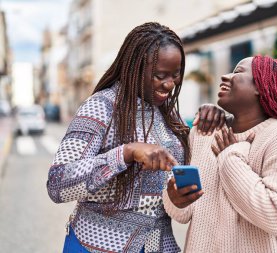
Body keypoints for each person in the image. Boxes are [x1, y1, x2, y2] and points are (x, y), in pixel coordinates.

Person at [46, 22, 225, 253]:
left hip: (159, 245)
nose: (170, 84)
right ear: (134, 68)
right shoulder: (101, 107)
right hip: (94, 245)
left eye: (176, 75)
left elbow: (189, 173)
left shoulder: (169, 115)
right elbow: (58, 183)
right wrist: (126, 153)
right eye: (160, 75)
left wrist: (212, 116)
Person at [164, 55, 277, 252]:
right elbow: (182, 213)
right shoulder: (205, 131)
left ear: (261, 85)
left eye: (238, 72)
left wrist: (231, 156)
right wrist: (174, 197)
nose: (225, 76)